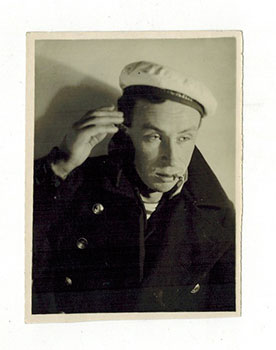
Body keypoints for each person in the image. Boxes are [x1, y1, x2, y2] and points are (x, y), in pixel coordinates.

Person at [32, 61, 235, 314]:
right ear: (125, 131)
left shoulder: (219, 216)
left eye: (184, 138)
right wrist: (60, 164)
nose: (172, 158)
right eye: (154, 137)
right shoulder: (73, 187)